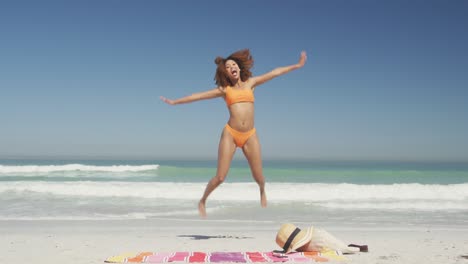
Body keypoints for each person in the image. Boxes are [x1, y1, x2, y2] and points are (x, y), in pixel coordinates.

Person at [160, 49, 307, 217]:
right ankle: (203, 199)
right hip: (230, 134)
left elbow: (274, 73)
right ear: (226, 73)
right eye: (228, 67)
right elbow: (198, 96)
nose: (232, 67)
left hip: (250, 134)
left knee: (259, 176)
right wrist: (175, 102)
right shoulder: (224, 90)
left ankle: (261, 190)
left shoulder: (251, 83)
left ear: (239, 67)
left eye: (234, 64)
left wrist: (297, 65)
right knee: (220, 177)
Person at [275, 223, 368, 254]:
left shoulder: (317, 240)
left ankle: (350, 247)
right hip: (319, 236)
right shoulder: (317, 235)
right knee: (341, 246)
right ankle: (349, 247)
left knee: (340, 247)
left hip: (321, 241)